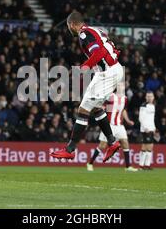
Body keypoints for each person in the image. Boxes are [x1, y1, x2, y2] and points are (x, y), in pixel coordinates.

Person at [50, 11, 124, 161]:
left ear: (72, 24)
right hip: (108, 71)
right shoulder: (96, 30)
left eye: (68, 26)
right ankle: (112, 142)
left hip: (108, 73)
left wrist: (84, 67)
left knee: (83, 109)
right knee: (96, 107)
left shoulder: (84, 33)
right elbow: (106, 48)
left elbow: (99, 52)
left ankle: (70, 149)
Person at [86, 82, 138, 172]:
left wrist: (128, 120)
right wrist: (101, 109)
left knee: (125, 143)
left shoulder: (125, 99)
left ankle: (128, 166)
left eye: (122, 86)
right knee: (102, 145)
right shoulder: (110, 96)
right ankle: (90, 163)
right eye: (119, 86)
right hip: (109, 125)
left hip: (119, 125)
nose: (121, 87)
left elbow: (124, 110)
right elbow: (103, 105)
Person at [138, 91, 157, 170]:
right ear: (146, 97)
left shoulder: (153, 106)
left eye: (151, 96)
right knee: (145, 146)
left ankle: (147, 165)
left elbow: (151, 118)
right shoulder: (143, 105)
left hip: (151, 128)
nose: (149, 98)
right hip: (145, 129)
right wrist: (145, 127)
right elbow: (141, 118)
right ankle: (141, 165)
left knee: (150, 147)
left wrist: (154, 127)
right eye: (148, 96)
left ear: (153, 97)